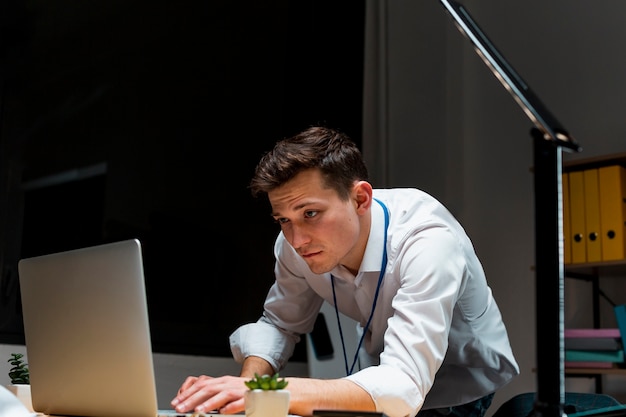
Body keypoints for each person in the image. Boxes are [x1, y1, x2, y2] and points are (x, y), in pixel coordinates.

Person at [171, 126, 519, 417]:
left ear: (360, 199)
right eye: (283, 220)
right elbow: (280, 324)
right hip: (382, 379)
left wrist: (266, 391)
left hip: (458, 384)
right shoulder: (294, 241)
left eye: (310, 213)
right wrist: (247, 388)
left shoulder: (428, 242)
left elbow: (404, 388)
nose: (297, 239)